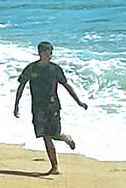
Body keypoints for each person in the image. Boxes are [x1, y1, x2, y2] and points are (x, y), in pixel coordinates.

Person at [14, 41, 88, 175]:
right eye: (48, 52)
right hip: (37, 108)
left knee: (53, 134)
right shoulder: (31, 69)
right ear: (41, 53)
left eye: (51, 52)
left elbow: (66, 85)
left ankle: (65, 138)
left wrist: (79, 102)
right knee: (45, 136)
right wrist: (16, 105)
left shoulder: (55, 69)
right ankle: (55, 167)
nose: (50, 55)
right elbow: (21, 86)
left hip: (52, 106)